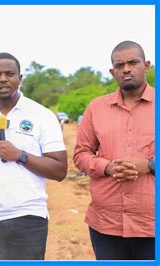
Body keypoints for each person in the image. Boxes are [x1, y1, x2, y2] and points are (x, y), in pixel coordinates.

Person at [0, 52, 67, 260]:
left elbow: (60, 170)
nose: (3, 79)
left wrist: (19, 155)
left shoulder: (42, 115)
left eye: (10, 73)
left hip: (29, 217)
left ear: (20, 78)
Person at [73, 41, 154, 260]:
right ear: (112, 72)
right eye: (119, 65)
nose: (126, 68)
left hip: (152, 225)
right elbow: (80, 155)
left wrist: (149, 165)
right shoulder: (96, 108)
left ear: (146, 65)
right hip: (105, 224)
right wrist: (107, 167)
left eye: (133, 62)